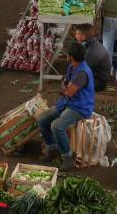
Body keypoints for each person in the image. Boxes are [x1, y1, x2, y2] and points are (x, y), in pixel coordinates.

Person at [36, 41, 94, 170]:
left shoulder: (82, 73)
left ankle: (67, 158)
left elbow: (68, 91)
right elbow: (65, 86)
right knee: (42, 119)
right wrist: (66, 89)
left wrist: (63, 90)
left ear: (71, 57)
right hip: (68, 102)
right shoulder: (72, 67)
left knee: (56, 126)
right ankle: (52, 149)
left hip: (79, 107)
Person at [72, 24, 110, 92]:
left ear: (83, 37)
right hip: (96, 77)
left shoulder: (92, 50)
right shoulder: (93, 43)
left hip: (98, 83)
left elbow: (81, 70)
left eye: (77, 34)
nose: (75, 36)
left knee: (71, 83)